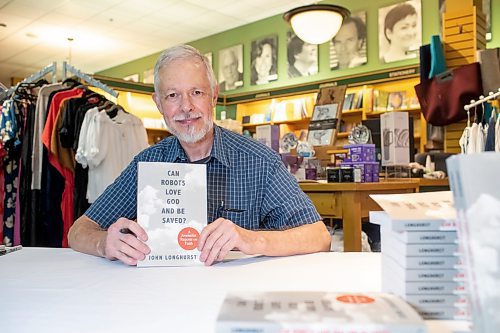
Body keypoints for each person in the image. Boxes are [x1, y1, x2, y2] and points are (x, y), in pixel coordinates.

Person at [68, 45, 331, 266]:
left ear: (214, 96)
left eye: (196, 92)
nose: (186, 107)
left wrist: (250, 239)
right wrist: (105, 243)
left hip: (234, 297)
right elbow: (78, 231)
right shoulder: (146, 164)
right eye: (172, 95)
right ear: (158, 104)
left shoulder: (259, 161)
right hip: (161, 299)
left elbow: (319, 236)